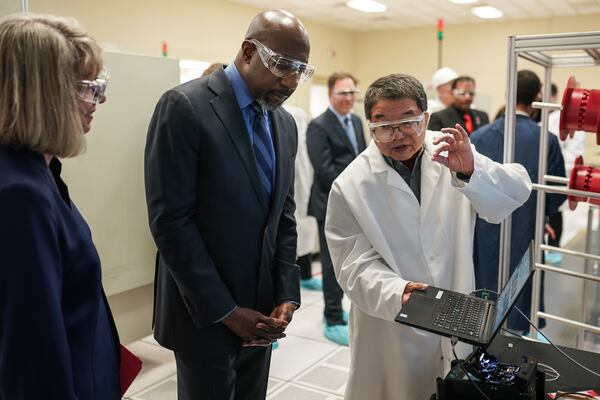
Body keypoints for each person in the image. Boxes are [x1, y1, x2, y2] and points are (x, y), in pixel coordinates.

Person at [325, 73, 531, 400]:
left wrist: (470, 170)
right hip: (390, 326)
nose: (398, 135)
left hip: (456, 312)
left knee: (452, 388)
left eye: (409, 122)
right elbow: (352, 265)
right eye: (384, 125)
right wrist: (398, 292)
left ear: (426, 117)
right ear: (370, 126)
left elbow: (517, 191)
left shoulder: (451, 151)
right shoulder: (351, 185)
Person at [144, 10, 313, 400]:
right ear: (248, 51)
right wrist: (226, 311)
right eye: (282, 65)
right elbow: (171, 222)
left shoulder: (283, 123)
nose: (290, 80)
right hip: (203, 311)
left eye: (300, 70)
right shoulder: (185, 106)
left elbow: (282, 217)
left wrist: (286, 294)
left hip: (264, 312)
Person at [0, 14, 119, 399]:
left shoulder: (41, 171)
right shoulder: (20, 194)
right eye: (87, 87)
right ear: (43, 93)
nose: (96, 100)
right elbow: (32, 356)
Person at [471, 70, 566, 334]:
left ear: (508, 93)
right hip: (527, 227)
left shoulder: (478, 137)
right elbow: (557, 191)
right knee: (523, 287)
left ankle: (481, 333)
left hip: (485, 228)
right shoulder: (547, 140)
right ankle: (520, 334)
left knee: (485, 282)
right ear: (537, 98)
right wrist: (541, 215)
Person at [307, 71, 367, 346]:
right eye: (343, 93)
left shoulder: (355, 121)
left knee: (351, 261)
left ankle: (341, 309)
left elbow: (364, 158)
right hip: (329, 204)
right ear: (330, 94)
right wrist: (353, 189)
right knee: (331, 266)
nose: (348, 98)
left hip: (356, 202)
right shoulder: (319, 126)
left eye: (352, 92)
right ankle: (332, 317)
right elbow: (324, 170)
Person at [545, 83, 585, 265]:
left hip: (558, 173)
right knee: (541, 212)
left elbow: (573, 152)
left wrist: (559, 170)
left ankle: (553, 248)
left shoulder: (570, 121)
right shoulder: (543, 118)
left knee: (555, 211)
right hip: (542, 172)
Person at [284, 105, 320, 292]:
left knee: (305, 230)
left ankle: (305, 275)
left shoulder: (298, 116)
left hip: (305, 186)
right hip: (293, 189)